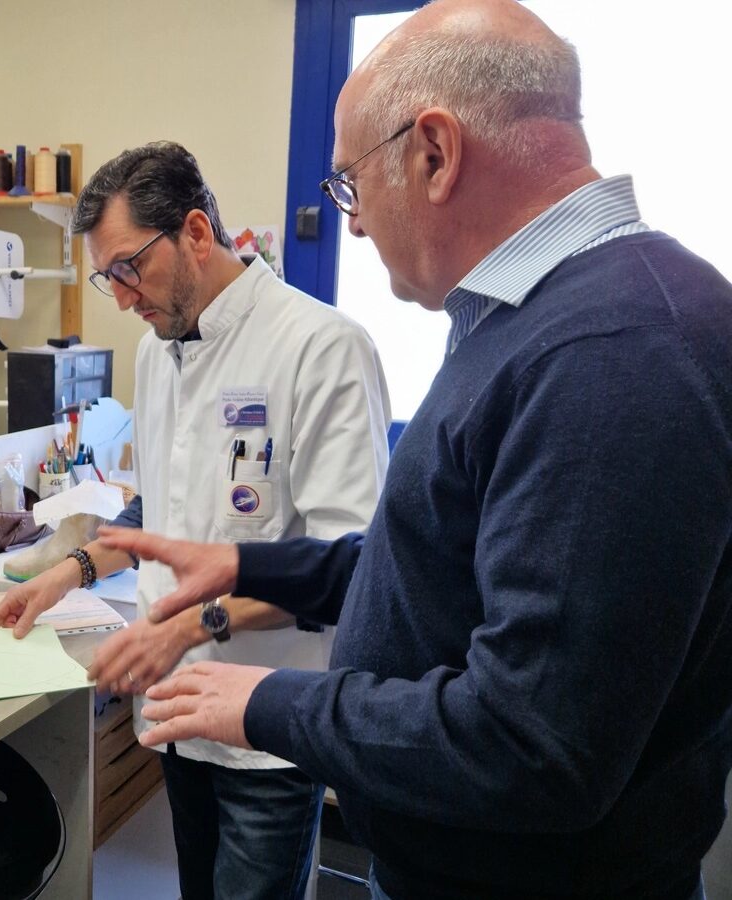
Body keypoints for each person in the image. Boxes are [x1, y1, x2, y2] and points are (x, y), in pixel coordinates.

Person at [96, 2, 732, 899]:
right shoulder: (536, 323)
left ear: (434, 154)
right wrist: (246, 562)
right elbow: (433, 565)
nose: (350, 225)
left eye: (350, 186)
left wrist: (268, 700)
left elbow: (532, 744)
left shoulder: (614, 352)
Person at [0, 141, 391, 900]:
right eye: (107, 276)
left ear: (197, 234)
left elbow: (353, 566)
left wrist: (186, 625)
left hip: (269, 721)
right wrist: (65, 575)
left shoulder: (321, 348)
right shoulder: (157, 351)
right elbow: (158, 508)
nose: (120, 296)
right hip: (175, 709)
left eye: (128, 268)